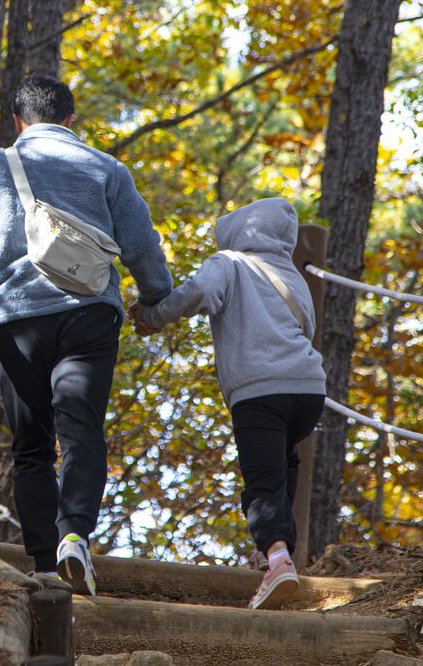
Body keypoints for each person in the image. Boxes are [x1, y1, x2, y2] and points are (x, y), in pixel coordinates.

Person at [0, 75, 172, 594]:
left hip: (16, 322)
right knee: (81, 432)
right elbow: (141, 242)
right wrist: (155, 297)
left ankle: (45, 566)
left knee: (31, 449)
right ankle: (75, 536)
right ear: (71, 120)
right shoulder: (105, 168)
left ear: (17, 122)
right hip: (89, 314)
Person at [129, 197, 324, 610]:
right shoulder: (292, 275)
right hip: (309, 390)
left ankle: (276, 559)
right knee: (283, 463)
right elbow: (306, 327)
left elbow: (199, 292)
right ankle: (275, 550)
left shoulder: (229, 261)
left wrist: (154, 316)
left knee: (260, 479)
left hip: (259, 389)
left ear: (238, 230)